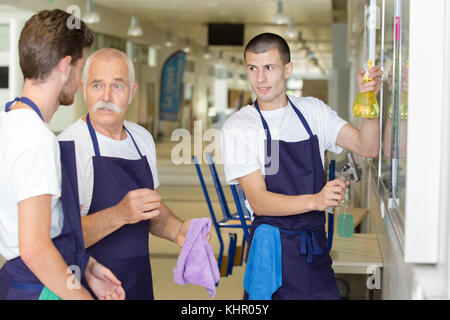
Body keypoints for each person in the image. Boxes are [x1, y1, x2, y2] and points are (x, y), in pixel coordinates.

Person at [221, 33, 383, 300]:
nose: (260, 79)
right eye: (253, 68)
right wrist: (316, 200)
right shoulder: (240, 126)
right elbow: (259, 202)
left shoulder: (313, 112)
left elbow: (368, 147)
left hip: (315, 246)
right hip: (272, 251)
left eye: (269, 68)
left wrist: (369, 100)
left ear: (288, 69)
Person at [0, 9, 125, 300]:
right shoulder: (36, 139)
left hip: (20, 283)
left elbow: (33, 229)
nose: (80, 81)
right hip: (39, 289)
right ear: (66, 66)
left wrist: (85, 266)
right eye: (81, 69)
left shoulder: (8, 122)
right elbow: (34, 248)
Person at [58, 48, 202, 300]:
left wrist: (178, 230)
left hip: (139, 282)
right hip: (89, 287)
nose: (106, 96)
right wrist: (120, 214)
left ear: (132, 92)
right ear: (83, 88)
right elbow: (64, 236)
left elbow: (151, 213)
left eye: (117, 86)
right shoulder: (71, 145)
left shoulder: (142, 139)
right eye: (97, 85)